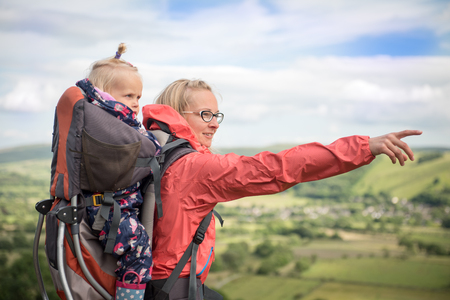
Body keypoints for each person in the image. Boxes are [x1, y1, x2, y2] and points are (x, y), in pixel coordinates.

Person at [141, 79, 422, 300]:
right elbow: (277, 167)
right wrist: (363, 147)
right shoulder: (194, 167)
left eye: (217, 114)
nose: (215, 123)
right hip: (176, 287)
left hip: (151, 282)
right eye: (205, 114)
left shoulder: (157, 156)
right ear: (178, 115)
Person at [75, 43, 161, 297]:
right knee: (139, 249)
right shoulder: (112, 120)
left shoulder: (105, 119)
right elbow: (148, 148)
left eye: (138, 97)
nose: (135, 104)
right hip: (109, 208)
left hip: (111, 205)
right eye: (128, 96)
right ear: (105, 95)